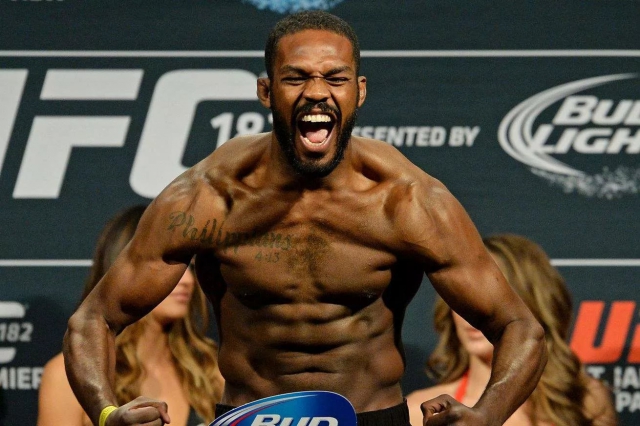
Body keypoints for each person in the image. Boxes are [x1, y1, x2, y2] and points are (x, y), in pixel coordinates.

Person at [63, 11, 547, 426]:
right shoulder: (209, 197)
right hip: (249, 417)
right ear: (266, 91)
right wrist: (106, 414)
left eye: (335, 78)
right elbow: (92, 321)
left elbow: (520, 328)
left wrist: (487, 415)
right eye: (296, 78)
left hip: (371, 417)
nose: (317, 92)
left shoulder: (407, 202)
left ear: (359, 91)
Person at [38, 205, 223, 426]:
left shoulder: (210, 370)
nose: (186, 280)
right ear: (124, 271)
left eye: (188, 266)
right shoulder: (71, 375)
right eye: (169, 263)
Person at [406, 234, 618, 426]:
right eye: (463, 299)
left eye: (492, 298)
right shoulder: (422, 413)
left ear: (530, 304)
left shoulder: (584, 401)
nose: (473, 313)